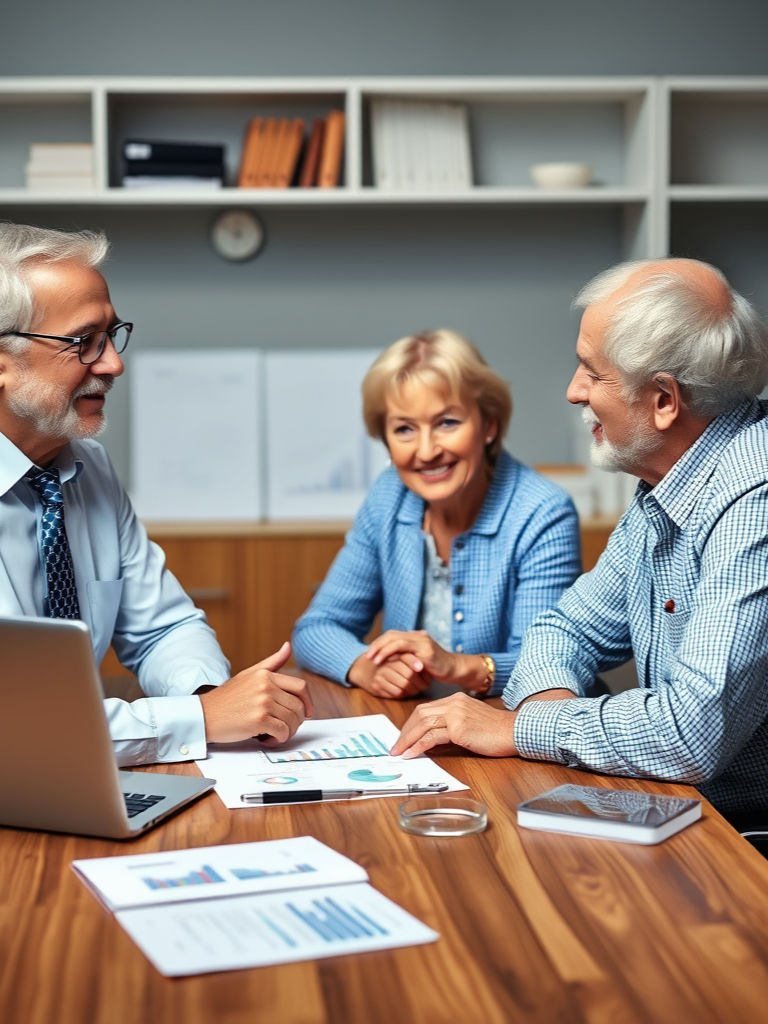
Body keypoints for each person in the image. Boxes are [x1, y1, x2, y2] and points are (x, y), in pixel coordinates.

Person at [392, 257, 768, 830]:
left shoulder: (754, 502)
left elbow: (692, 733)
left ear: (664, 400)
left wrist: (520, 727)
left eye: (593, 373)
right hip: (686, 814)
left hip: (743, 841)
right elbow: (565, 628)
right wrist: (545, 715)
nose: (573, 392)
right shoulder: (666, 485)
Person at [0, 222, 311, 766]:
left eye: (112, 336)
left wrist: (209, 699)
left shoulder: (87, 465)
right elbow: (18, 727)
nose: (114, 364)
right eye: (83, 342)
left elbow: (162, 627)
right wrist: (202, 721)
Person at [292, 328, 582, 699]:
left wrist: (461, 667)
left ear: (489, 425)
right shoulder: (388, 496)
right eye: (404, 429)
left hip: (504, 729)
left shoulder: (542, 512)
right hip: (412, 727)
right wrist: (364, 665)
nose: (426, 451)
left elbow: (547, 665)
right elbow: (316, 628)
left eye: (447, 423)